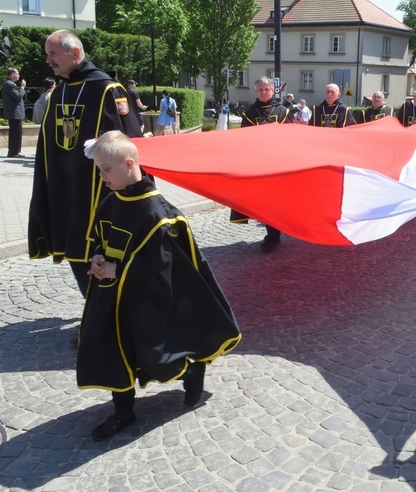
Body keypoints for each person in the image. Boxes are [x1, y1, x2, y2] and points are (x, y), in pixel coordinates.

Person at [79, 131, 241, 440]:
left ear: (129, 164)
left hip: (145, 301)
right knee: (110, 348)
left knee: (153, 353)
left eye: (106, 169)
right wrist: (98, 258)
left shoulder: (157, 214)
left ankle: (191, 371)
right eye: (98, 169)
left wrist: (117, 269)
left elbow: (162, 268)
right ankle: (122, 411)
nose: (101, 176)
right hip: (109, 293)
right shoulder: (111, 201)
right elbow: (99, 237)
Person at [28, 29, 143, 295]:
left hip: (98, 195)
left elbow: (131, 143)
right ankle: (95, 310)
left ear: (75, 53)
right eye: (47, 54)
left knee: (99, 256)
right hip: (65, 191)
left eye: (53, 53)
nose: (48, 60)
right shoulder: (59, 92)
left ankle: (104, 318)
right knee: (74, 251)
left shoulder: (108, 89)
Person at [234, 76, 292, 252]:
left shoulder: (283, 111)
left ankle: (282, 231)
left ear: (273, 91)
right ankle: (272, 236)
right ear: (255, 91)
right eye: (261, 89)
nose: (264, 92)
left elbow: (293, 138)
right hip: (259, 165)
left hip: (280, 164)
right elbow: (243, 141)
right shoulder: (249, 114)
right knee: (266, 202)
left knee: (281, 201)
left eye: (267, 89)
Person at [2, 67, 26, 158]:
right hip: (14, 113)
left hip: (15, 113)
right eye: (17, 73)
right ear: (12, 74)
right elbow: (18, 96)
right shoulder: (9, 84)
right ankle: (13, 152)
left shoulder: (10, 84)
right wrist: (22, 88)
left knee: (17, 133)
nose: (19, 75)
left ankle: (15, 151)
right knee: (15, 133)